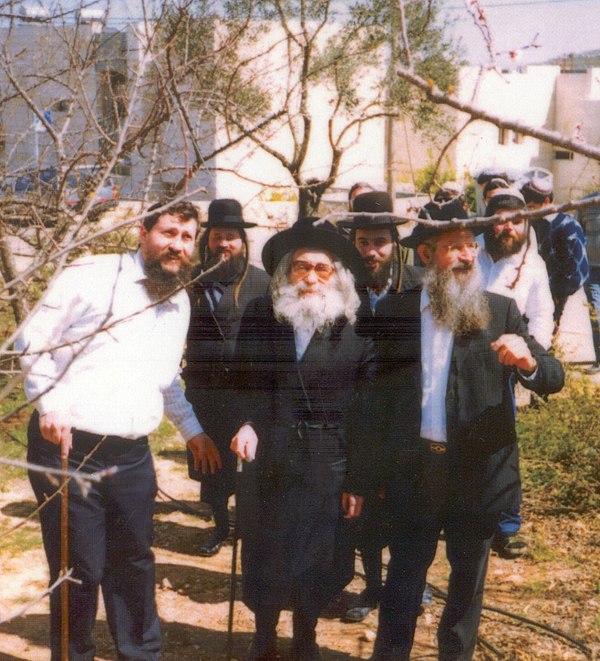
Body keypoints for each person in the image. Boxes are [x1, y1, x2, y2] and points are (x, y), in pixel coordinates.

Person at [364, 206, 564, 660]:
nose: (468, 255)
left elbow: (554, 376)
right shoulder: (394, 313)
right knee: (404, 577)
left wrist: (529, 363)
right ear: (426, 253)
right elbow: (373, 399)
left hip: (477, 471)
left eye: (471, 245)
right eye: (455, 246)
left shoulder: (500, 311)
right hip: (415, 469)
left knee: (467, 582)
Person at [17, 200, 213, 661]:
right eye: (168, 233)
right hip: (67, 446)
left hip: (131, 456)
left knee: (135, 562)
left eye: (187, 238)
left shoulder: (178, 298)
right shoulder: (90, 275)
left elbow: (165, 381)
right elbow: (33, 341)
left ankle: (141, 654)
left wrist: (192, 430)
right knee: (80, 566)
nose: (177, 246)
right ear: (142, 233)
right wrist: (51, 404)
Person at [230, 219, 375, 661]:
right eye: (300, 267)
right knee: (264, 544)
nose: (310, 277)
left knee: (319, 549)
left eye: (321, 269)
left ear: (337, 276)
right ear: (284, 274)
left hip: (328, 454)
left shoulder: (357, 323)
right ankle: (264, 634)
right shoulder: (261, 314)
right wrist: (245, 423)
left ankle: (306, 633)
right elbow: (241, 382)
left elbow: (368, 408)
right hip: (270, 449)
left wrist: (360, 477)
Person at [337, 190, 422, 622]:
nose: (372, 252)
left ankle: (408, 583)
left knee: (406, 504)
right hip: (355, 413)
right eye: (364, 243)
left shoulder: (418, 288)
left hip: (403, 414)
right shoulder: (338, 288)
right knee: (362, 507)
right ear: (353, 243)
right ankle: (371, 585)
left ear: (395, 243)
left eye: (380, 242)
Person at [183, 198, 270, 556]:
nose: (224, 244)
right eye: (218, 236)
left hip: (246, 392)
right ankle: (220, 526)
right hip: (204, 392)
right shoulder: (191, 281)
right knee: (212, 467)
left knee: (248, 469)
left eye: (231, 237)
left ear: (243, 241)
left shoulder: (262, 283)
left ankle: (250, 530)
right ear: (208, 240)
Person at [480, 189, 554, 558]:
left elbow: (542, 315)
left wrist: (527, 354)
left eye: (516, 219)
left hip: (504, 366)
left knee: (501, 443)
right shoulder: (468, 252)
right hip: (459, 364)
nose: (507, 226)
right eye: (500, 218)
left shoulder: (533, 265)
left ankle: (506, 526)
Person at [521, 177, 590, 329]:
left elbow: (576, 268)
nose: (529, 211)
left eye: (532, 207)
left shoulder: (568, 225)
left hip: (555, 297)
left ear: (546, 201)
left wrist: (558, 295)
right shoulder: (532, 223)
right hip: (529, 294)